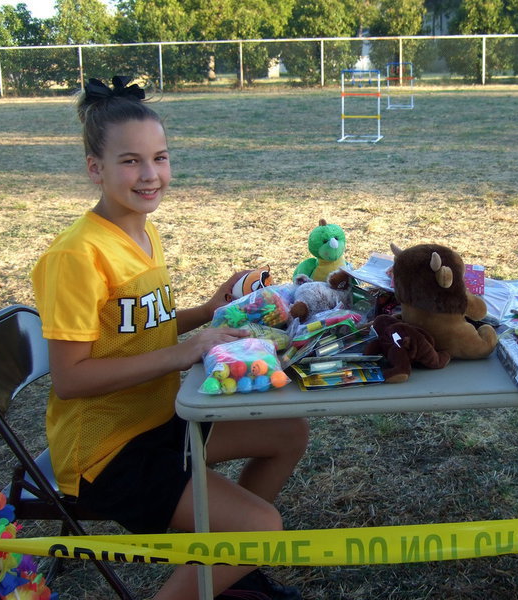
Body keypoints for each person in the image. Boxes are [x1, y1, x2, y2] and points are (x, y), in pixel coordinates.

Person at [31, 76, 310, 600]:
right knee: (262, 526)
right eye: (130, 160)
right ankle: (233, 553)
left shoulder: (140, 228)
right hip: (108, 455)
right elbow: (70, 378)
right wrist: (186, 351)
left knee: (288, 432)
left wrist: (206, 311)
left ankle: (225, 563)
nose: (150, 174)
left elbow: (141, 328)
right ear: (96, 168)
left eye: (159, 158)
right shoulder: (76, 256)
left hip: (161, 419)